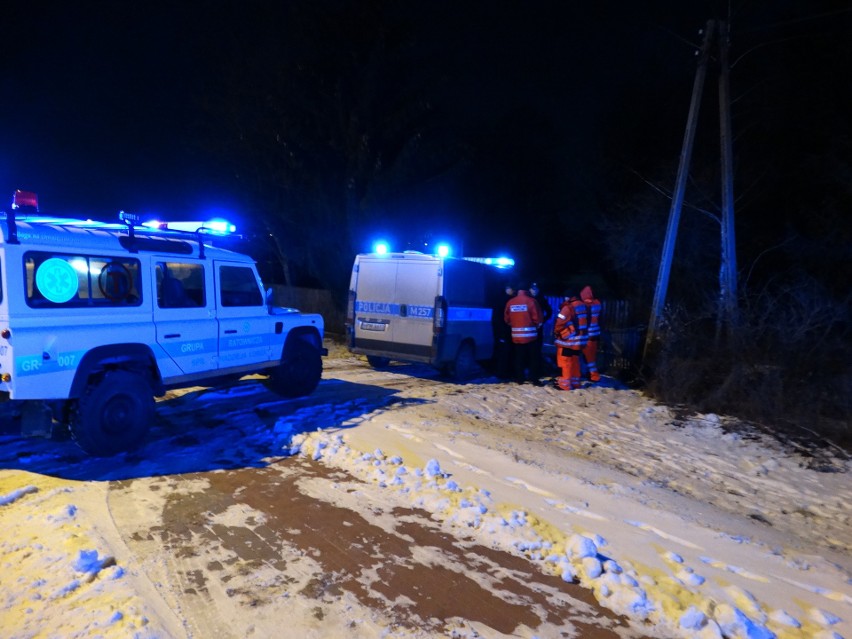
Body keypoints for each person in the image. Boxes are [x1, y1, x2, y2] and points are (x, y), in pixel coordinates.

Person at [504, 286, 542, 385]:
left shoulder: (511, 302)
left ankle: (520, 379)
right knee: (533, 358)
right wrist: (536, 325)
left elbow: (506, 319)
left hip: (516, 336)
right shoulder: (532, 301)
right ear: (527, 291)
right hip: (531, 336)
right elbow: (537, 318)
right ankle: (534, 379)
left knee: (519, 358)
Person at [553, 292, 587, 390]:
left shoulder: (567, 308)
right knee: (575, 361)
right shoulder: (584, 306)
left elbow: (559, 323)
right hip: (579, 340)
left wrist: (556, 332)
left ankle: (565, 384)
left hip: (568, 341)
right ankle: (575, 382)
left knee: (565, 362)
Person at [492, 282, 516, 379]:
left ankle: (502, 371)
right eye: (511, 289)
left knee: (503, 352)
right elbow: (501, 317)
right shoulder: (505, 300)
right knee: (504, 352)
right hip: (504, 330)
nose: (512, 291)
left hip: (503, 330)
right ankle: (502, 372)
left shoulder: (502, 299)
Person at [580, 285, 602, 382]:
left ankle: (594, 376)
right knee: (592, 356)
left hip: (588, 334)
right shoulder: (597, 303)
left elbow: (584, 320)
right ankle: (591, 374)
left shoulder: (585, 306)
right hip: (595, 334)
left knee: (588, 357)